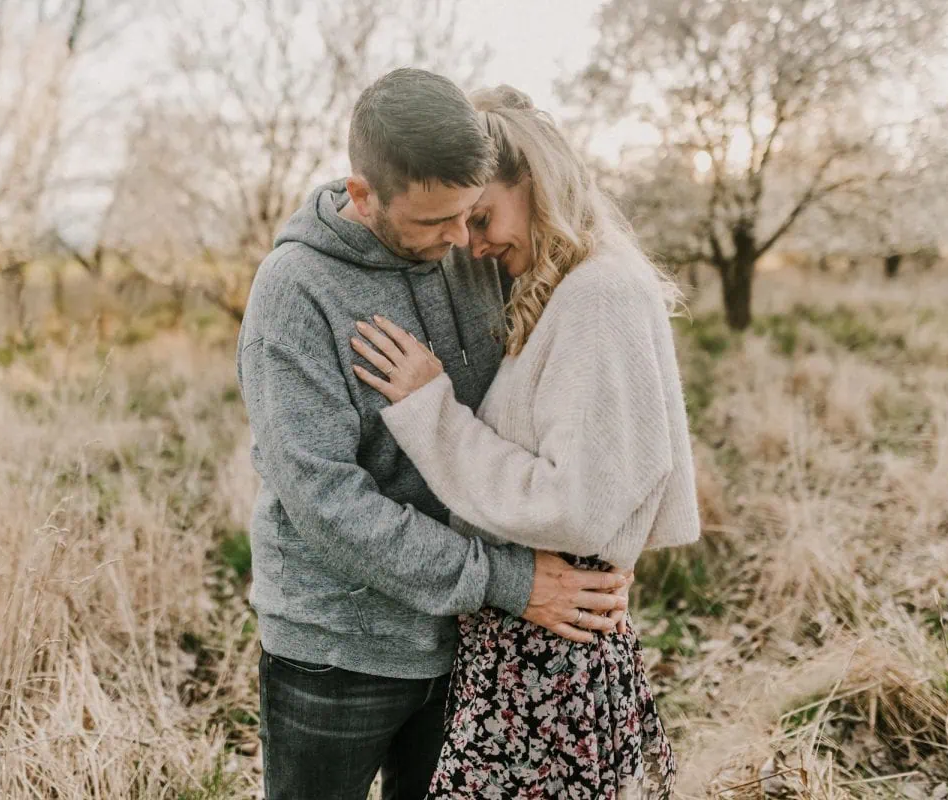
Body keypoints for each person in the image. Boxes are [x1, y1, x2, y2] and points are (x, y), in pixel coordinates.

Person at [236, 69, 632, 800]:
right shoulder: (294, 293)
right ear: (363, 196)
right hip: (338, 652)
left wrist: (599, 540)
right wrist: (509, 582)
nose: (460, 240)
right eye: (434, 224)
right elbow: (327, 502)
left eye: (469, 214)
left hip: (469, 644)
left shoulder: (468, 249)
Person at [351, 85, 701, 798]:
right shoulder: (567, 288)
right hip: (532, 638)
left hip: (550, 649)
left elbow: (576, 501)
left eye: (481, 217)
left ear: (535, 181)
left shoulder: (599, 295)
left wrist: (431, 411)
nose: (473, 245)